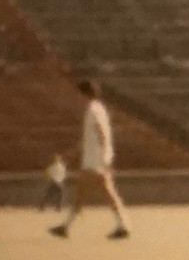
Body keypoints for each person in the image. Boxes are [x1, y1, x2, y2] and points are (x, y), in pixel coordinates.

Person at [49, 80, 130, 240]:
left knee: (83, 194)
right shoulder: (99, 109)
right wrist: (70, 154)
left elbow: (101, 133)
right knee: (107, 192)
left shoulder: (92, 110)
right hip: (98, 159)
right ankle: (123, 225)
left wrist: (104, 156)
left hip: (94, 160)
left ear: (83, 94)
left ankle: (66, 226)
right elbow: (89, 138)